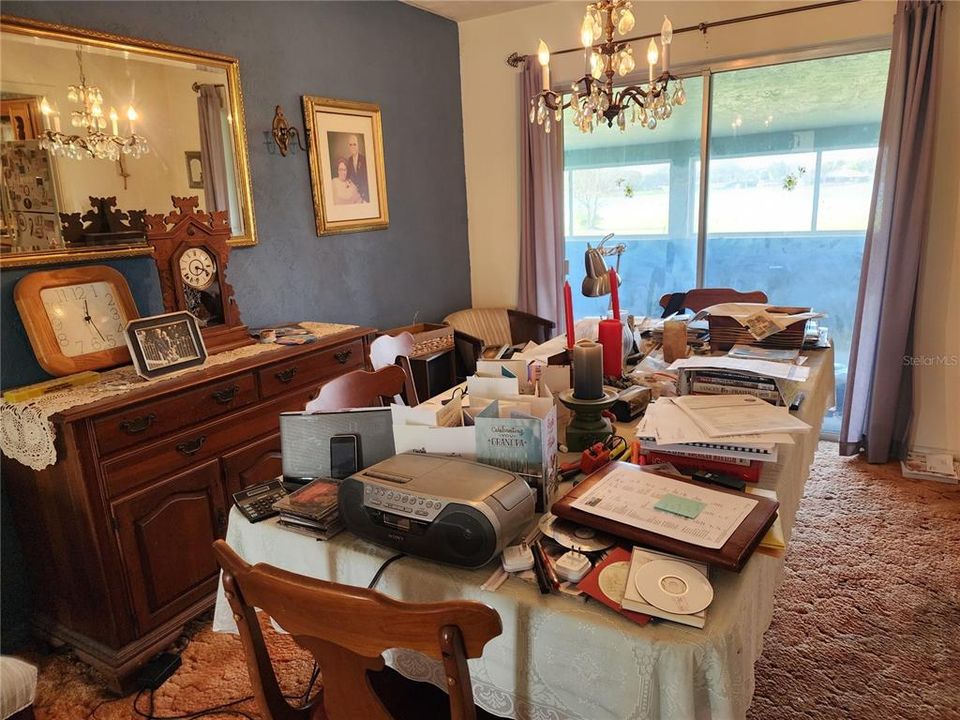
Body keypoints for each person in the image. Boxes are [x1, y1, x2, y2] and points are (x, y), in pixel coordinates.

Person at [344, 134, 369, 202]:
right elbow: (348, 177)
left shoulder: (364, 159)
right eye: (350, 145)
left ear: (358, 146)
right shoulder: (349, 160)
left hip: (365, 195)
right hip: (354, 194)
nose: (352, 147)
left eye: (354, 144)